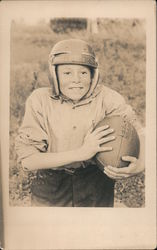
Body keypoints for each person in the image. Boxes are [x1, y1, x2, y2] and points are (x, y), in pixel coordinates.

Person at [15, 39, 145, 207]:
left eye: (83, 73)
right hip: (51, 184)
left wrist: (139, 166)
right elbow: (28, 160)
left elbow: (140, 132)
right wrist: (81, 152)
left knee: (94, 231)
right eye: (67, 73)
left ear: (93, 76)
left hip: (95, 181)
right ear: (54, 75)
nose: (76, 79)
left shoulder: (107, 98)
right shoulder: (40, 100)